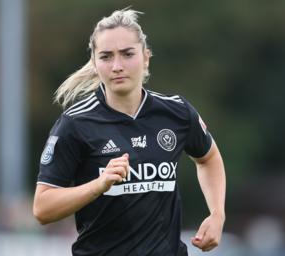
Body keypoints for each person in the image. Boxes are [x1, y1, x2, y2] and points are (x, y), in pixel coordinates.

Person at [33, 8, 226, 256]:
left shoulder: (176, 113)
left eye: (127, 54)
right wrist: (98, 185)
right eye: (106, 56)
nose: (117, 66)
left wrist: (217, 213)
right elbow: (42, 208)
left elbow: (208, 158)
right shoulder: (75, 123)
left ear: (146, 57)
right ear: (94, 62)